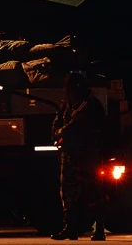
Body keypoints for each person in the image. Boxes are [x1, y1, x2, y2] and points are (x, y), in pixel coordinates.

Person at [51, 72, 107, 241]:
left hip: (87, 155)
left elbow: (95, 128)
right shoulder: (68, 105)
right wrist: (58, 132)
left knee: (93, 193)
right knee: (67, 193)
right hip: (69, 154)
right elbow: (57, 123)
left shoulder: (91, 105)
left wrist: (68, 131)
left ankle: (100, 230)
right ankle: (70, 228)